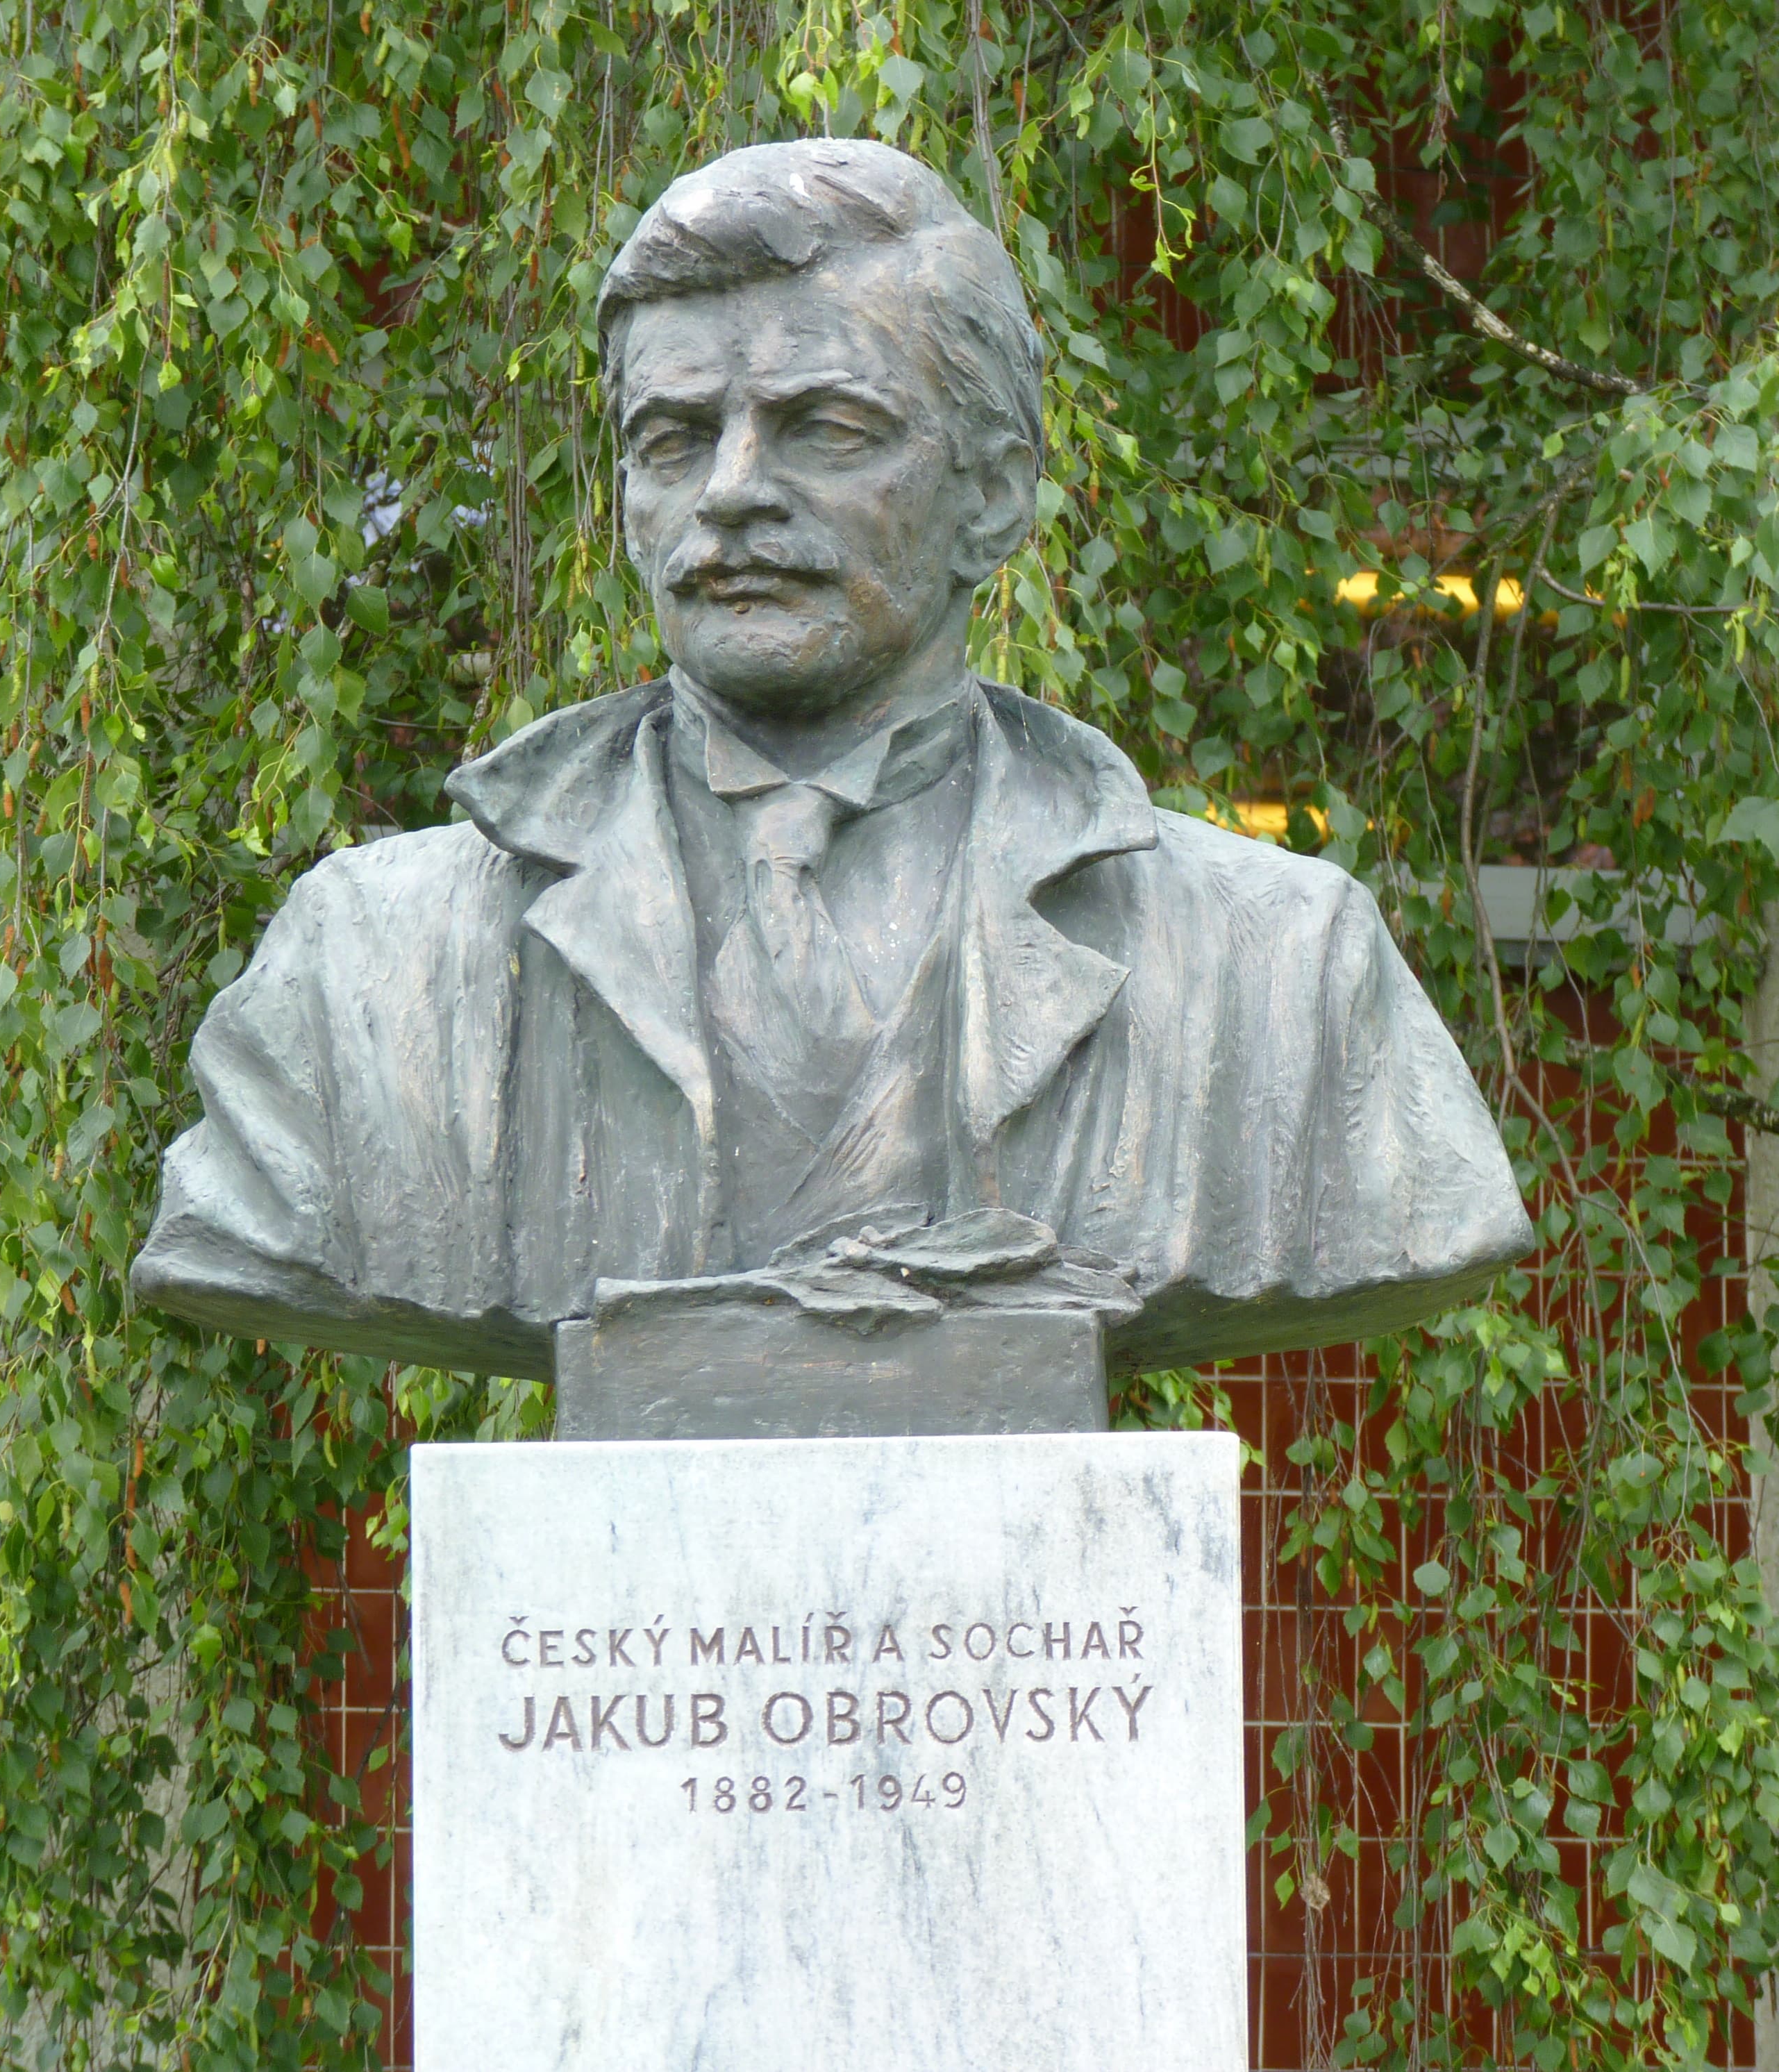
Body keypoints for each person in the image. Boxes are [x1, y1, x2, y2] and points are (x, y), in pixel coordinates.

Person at [133, 138, 1530, 1380]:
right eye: (672, 439)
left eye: (827, 427)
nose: (732, 491)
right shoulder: (370, 965)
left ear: (993, 494)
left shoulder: (1273, 969)